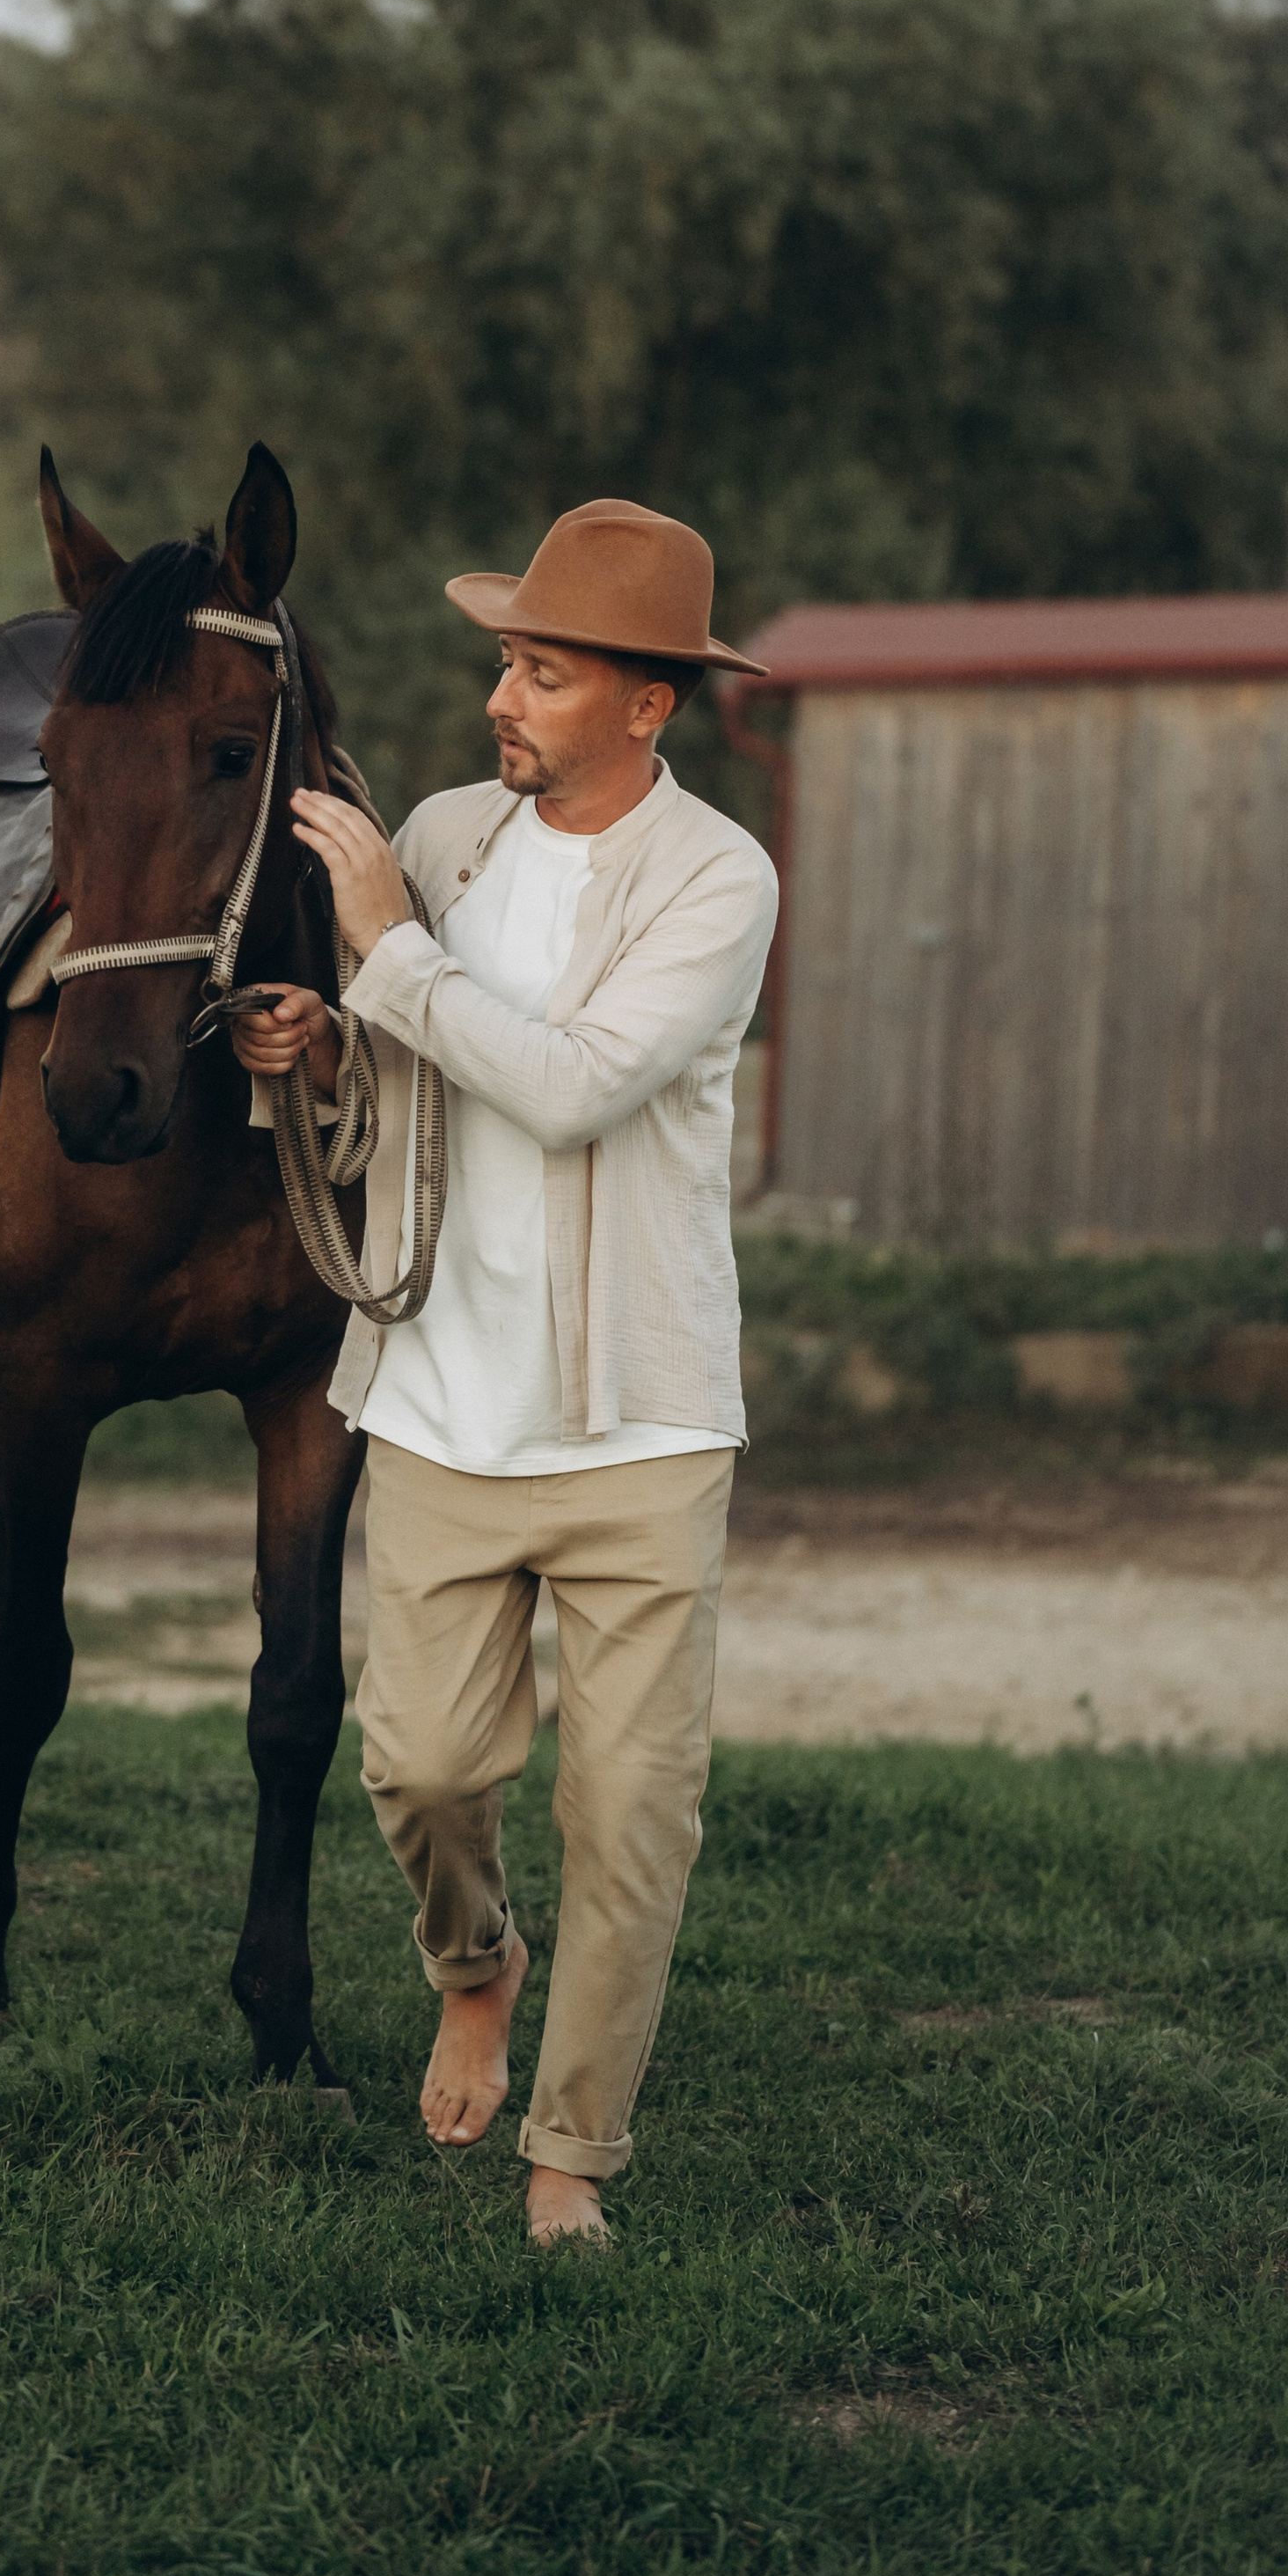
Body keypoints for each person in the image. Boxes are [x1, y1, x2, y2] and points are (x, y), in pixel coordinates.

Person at [233, 500, 775, 2247]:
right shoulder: (450, 838)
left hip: (641, 1422)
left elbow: (565, 1085)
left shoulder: (717, 881)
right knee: (414, 1769)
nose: (502, 698)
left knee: (627, 1814)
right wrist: (317, 1045)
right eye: (502, 662)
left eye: (544, 673)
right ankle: (474, 1965)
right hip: (438, 1404)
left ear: (647, 707)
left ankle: (570, 2155)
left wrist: (381, 950)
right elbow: (410, 1079)